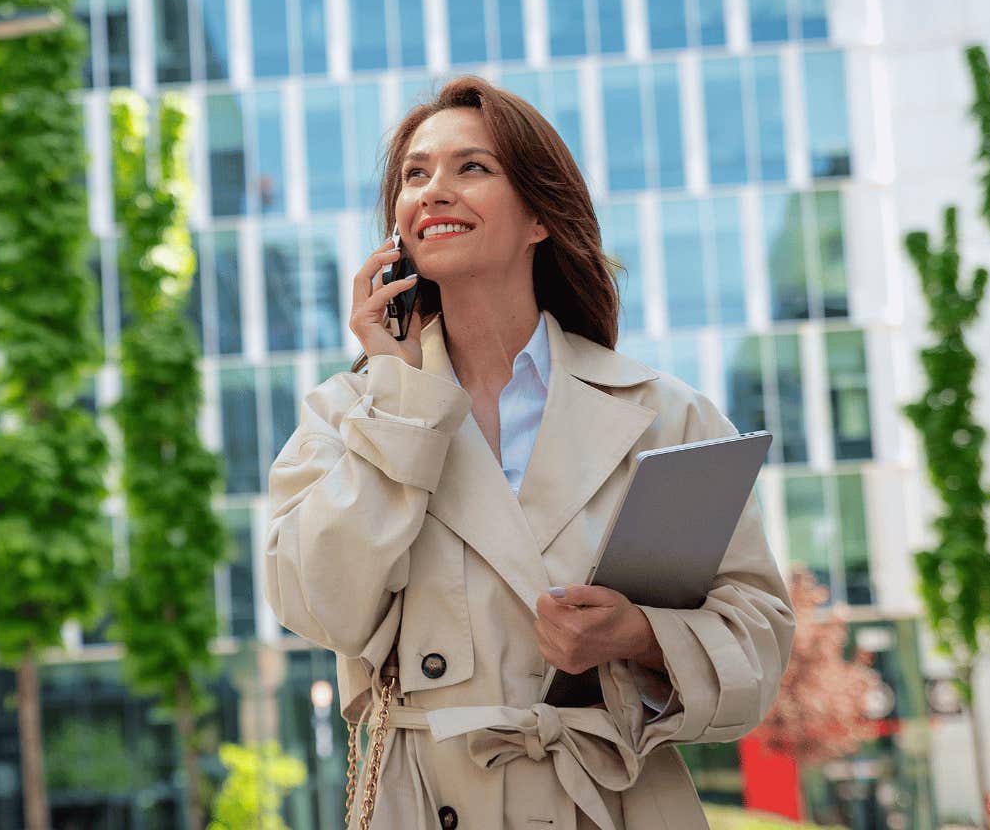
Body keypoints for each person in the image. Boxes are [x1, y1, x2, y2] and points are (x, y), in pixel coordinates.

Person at [262, 77, 795, 829]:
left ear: (540, 215)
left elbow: (760, 633)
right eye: (415, 174)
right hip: (425, 802)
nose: (433, 191)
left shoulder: (662, 413)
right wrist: (402, 399)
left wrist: (639, 637)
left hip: (610, 803)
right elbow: (320, 606)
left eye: (470, 168)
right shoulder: (350, 413)